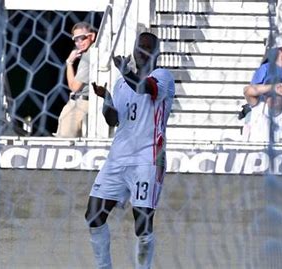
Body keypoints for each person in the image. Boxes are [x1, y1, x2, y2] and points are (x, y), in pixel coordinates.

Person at [85, 32, 175, 269]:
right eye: (139, 46)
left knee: (142, 222)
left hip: (148, 158)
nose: (142, 51)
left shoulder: (163, 76)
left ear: (157, 52)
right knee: (94, 215)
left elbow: (146, 88)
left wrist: (125, 72)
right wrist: (106, 99)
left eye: (148, 47)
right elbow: (113, 120)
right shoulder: (120, 83)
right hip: (117, 158)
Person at [238, 34, 282, 119]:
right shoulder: (264, 69)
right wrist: (273, 88)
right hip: (263, 113)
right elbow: (251, 90)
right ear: (281, 51)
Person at [55, 22, 96, 137]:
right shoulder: (91, 52)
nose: (79, 43)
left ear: (92, 36)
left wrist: (69, 63)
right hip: (83, 102)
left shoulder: (88, 56)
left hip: (81, 104)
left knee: (65, 144)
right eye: (76, 40)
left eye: (82, 38)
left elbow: (74, 86)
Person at [242, 78, 282, 142]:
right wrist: (273, 87)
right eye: (270, 95)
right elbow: (246, 91)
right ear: (265, 97)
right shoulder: (258, 107)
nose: (273, 98)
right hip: (253, 151)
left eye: (277, 95)